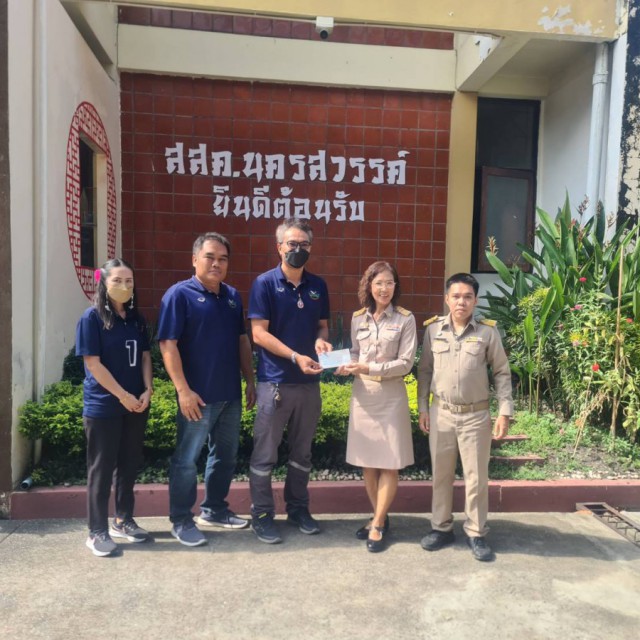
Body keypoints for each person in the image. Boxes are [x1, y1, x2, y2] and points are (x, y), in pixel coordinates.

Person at [157, 232, 256, 547]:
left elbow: (242, 340)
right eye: (210, 257)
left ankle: (214, 509)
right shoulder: (179, 295)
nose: (216, 264)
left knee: (225, 456)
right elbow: (167, 344)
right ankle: (181, 520)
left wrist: (250, 380)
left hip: (229, 395)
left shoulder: (232, 296)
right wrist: (183, 391)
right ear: (194, 259)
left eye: (223, 259)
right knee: (186, 460)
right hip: (197, 397)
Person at [417, 272, 513, 562]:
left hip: (475, 415)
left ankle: (476, 532)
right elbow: (425, 370)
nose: (461, 302)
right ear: (447, 299)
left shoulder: (487, 333)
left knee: (476, 477)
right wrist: (422, 407)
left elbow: (502, 372)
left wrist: (504, 411)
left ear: (475, 300)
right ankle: (441, 527)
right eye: (456, 296)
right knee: (441, 475)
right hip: (441, 414)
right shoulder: (433, 330)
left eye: (467, 297)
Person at [248, 218, 332, 544]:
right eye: (292, 244)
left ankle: (298, 508)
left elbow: (322, 326)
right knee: (265, 454)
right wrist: (296, 356)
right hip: (275, 383)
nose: (298, 249)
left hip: (309, 385)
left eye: (304, 244)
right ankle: (262, 514)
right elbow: (258, 334)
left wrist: (321, 342)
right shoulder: (264, 284)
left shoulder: (317, 285)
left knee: (302, 453)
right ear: (279, 247)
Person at [336, 261, 417, 553]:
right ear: (369, 286)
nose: (384, 289)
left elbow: (405, 364)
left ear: (396, 287)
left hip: (391, 397)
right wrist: (345, 365)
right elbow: (355, 353)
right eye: (379, 283)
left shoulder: (406, 319)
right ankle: (378, 516)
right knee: (368, 463)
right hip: (363, 396)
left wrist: (367, 367)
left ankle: (378, 523)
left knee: (389, 463)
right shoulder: (358, 318)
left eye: (389, 283)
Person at [75, 258, 153, 557]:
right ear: (104, 283)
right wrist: (122, 395)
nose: (124, 286)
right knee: (102, 468)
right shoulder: (91, 318)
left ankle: (123, 520)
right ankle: (96, 531)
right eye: (117, 280)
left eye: (129, 281)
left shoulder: (135, 319)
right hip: (105, 406)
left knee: (129, 464)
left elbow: (145, 356)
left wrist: (147, 389)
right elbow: (93, 364)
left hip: (135, 404)